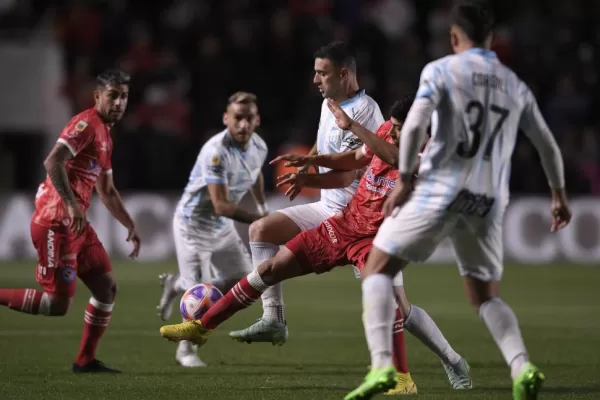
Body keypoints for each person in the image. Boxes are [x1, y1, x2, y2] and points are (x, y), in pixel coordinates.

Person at [160, 96, 472, 394]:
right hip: (345, 224)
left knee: (390, 303)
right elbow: (357, 158)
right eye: (390, 125)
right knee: (270, 268)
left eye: (399, 127)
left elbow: (395, 158)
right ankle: (203, 326)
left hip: (381, 239)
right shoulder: (385, 133)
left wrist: (351, 126)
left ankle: (409, 376)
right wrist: (313, 162)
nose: (391, 131)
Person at [344, 1, 572, 399]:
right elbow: (547, 145)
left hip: (440, 188)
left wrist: (405, 180)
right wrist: (558, 194)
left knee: (377, 268)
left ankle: (383, 366)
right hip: (487, 200)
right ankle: (521, 366)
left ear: (453, 37)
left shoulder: (441, 70)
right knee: (485, 296)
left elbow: (415, 124)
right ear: (492, 39)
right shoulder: (513, 83)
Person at [230, 40, 384, 345]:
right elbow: (322, 144)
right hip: (328, 208)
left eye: (321, 73)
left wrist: (307, 180)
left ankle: (451, 360)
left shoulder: (365, 113)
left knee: (393, 307)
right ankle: (273, 319)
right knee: (261, 230)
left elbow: (347, 176)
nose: (315, 80)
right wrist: (307, 166)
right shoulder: (329, 103)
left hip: (361, 219)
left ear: (343, 74)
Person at [0, 69, 141, 373]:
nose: (118, 102)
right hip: (57, 221)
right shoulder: (86, 124)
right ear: (97, 96)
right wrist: (71, 205)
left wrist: (129, 223)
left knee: (106, 288)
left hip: (75, 222)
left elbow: (106, 189)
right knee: (57, 306)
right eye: (112, 95)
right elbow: (52, 161)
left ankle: (85, 360)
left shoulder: (105, 134)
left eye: (124, 96)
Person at [156, 92, 269, 367]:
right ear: (226, 119)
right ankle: (186, 351)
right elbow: (220, 205)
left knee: (245, 282)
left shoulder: (260, 147)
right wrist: (258, 219)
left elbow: (255, 174)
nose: (243, 125)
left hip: (222, 229)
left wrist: (263, 206)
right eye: (238, 118)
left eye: (249, 118)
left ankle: (178, 284)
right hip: (192, 227)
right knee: (199, 299)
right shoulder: (215, 152)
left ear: (257, 120)